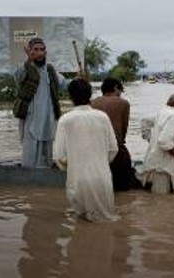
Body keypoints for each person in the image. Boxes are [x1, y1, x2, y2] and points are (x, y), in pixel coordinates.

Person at [53, 79, 119, 222]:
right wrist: (100, 163)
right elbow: (113, 149)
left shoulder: (65, 120)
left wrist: (73, 167)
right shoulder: (103, 117)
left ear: (70, 97)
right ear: (90, 95)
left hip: (78, 180)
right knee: (106, 227)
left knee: (82, 228)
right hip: (103, 179)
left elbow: (59, 156)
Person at [13, 37, 68, 168]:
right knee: (30, 150)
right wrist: (29, 60)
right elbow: (17, 77)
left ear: (45, 52)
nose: (39, 53)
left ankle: (45, 174)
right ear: (30, 51)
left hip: (48, 118)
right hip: (31, 118)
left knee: (47, 149)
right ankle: (29, 174)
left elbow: (65, 84)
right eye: (35, 50)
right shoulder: (25, 68)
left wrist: (79, 79)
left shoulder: (50, 70)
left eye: (42, 50)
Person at [91, 77, 140, 191]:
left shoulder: (92, 103)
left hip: (95, 150)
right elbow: (123, 131)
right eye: (120, 91)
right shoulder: (123, 103)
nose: (120, 94)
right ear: (115, 88)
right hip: (116, 151)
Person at [137, 93, 174, 194]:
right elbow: (164, 142)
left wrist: (151, 141)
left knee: (160, 198)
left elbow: (144, 121)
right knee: (162, 197)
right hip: (164, 165)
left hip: (157, 162)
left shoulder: (163, 112)